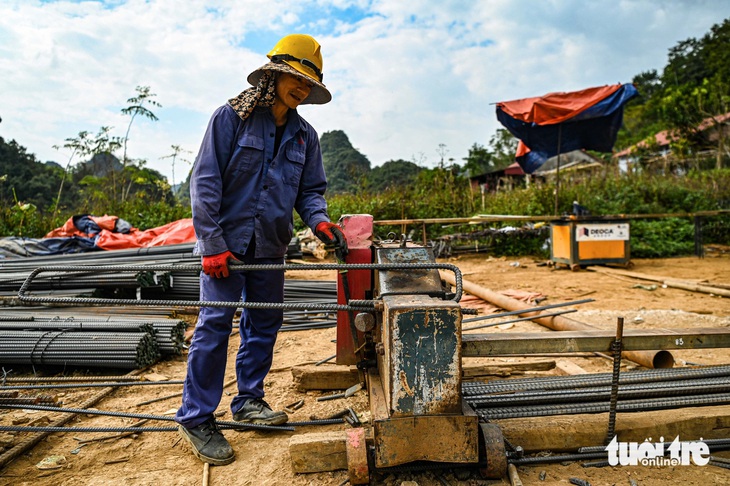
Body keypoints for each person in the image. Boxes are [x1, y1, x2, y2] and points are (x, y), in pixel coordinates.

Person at [175, 34, 348, 466]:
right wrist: (211, 244)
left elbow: (310, 191)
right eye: (296, 79)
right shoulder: (230, 119)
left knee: (264, 324)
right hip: (226, 249)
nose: (301, 89)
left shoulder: (306, 136)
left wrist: (321, 221)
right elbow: (206, 182)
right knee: (215, 326)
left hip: (271, 247)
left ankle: (249, 401)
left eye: (308, 85)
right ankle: (196, 417)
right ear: (274, 75)